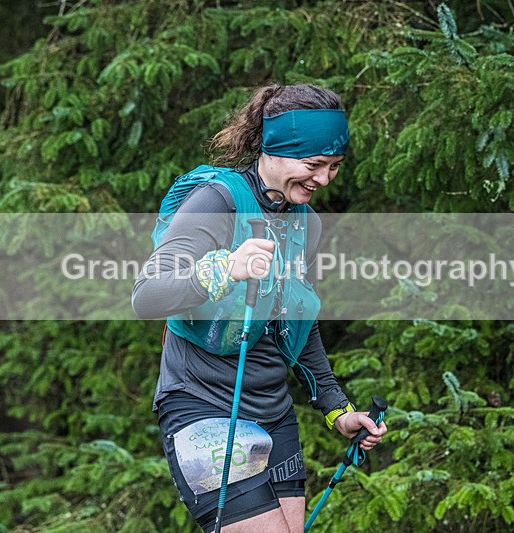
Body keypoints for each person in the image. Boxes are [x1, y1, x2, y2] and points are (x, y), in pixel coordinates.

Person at [132, 83, 387, 533]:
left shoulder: (306, 224)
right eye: (314, 165)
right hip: (204, 405)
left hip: (274, 413)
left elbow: (297, 323)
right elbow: (147, 296)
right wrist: (225, 269)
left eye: (334, 167)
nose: (324, 179)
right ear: (275, 149)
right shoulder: (218, 201)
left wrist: (337, 408)